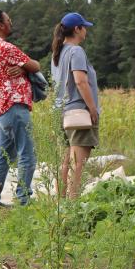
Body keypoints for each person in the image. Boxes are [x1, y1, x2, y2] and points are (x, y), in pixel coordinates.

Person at [0, 9, 41, 207]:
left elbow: (25, 66)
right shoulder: (6, 47)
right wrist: (25, 67)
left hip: (0, 108)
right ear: (1, 25)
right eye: (8, 20)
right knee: (27, 154)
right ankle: (23, 199)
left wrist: (22, 68)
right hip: (13, 106)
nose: (11, 22)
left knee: (4, 155)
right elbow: (36, 65)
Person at [50, 12, 98, 199]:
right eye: (84, 27)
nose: (86, 30)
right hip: (78, 113)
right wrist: (92, 108)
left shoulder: (58, 52)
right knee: (77, 163)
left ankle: (61, 203)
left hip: (60, 112)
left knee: (65, 162)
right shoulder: (76, 51)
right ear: (77, 29)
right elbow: (80, 81)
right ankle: (73, 204)